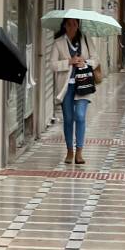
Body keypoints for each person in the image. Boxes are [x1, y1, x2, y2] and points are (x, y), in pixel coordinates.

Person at [49, 18, 99, 165]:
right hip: (66, 87)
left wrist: (86, 62)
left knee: (80, 116)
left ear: (78, 25)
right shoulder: (58, 42)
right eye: (69, 24)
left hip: (83, 85)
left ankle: (79, 152)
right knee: (69, 119)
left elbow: (96, 59)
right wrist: (68, 62)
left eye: (75, 24)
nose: (72, 27)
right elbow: (52, 65)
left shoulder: (85, 39)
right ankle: (69, 151)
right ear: (64, 25)